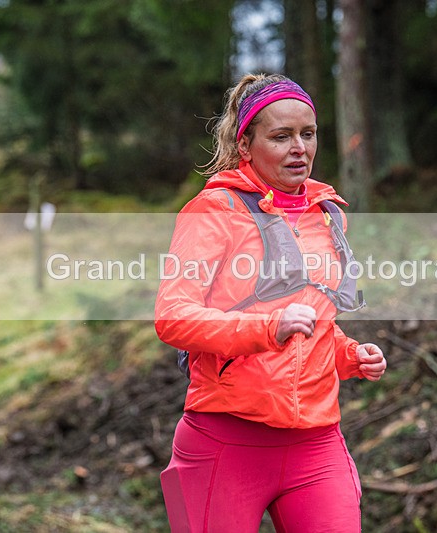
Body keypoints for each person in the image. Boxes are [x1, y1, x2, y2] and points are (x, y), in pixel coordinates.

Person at [154, 73, 386, 533]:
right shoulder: (214, 211)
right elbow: (173, 316)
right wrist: (265, 329)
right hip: (227, 442)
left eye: (308, 133)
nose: (299, 147)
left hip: (317, 445)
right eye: (281, 136)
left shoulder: (329, 214)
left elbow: (313, 320)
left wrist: (349, 355)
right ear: (246, 145)